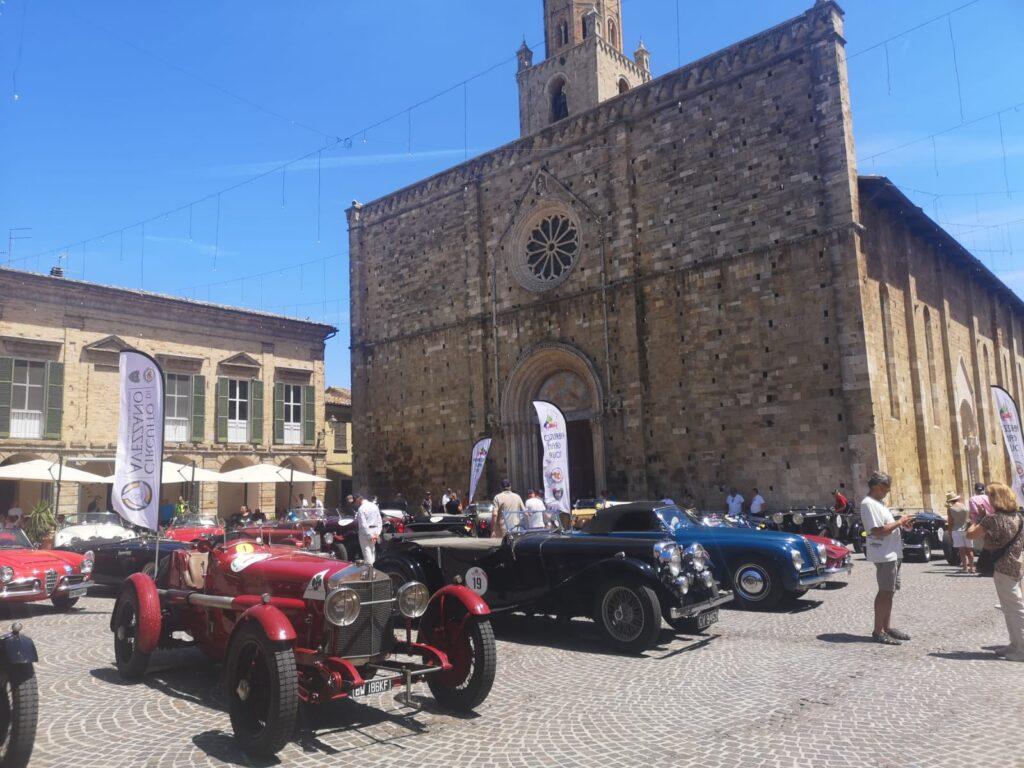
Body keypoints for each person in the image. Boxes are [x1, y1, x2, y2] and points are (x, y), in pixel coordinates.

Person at [966, 482, 1024, 661]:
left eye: (990, 496)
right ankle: (1014, 644)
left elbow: (971, 535)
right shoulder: (1019, 516)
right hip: (1016, 563)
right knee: (1009, 607)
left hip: (1002, 565)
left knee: (1013, 607)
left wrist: (977, 519)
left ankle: (1021, 649)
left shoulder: (992, 519)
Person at [860, 471, 916, 645]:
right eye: (886, 488)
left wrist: (902, 524)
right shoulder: (868, 504)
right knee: (884, 591)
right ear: (877, 486)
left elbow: (887, 526)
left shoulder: (879, 503)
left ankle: (887, 627)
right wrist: (899, 522)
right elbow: (878, 531)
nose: (888, 491)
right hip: (884, 555)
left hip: (893, 553)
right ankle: (878, 631)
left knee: (889, 591)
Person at [945, 491, 973, 573]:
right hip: (966, 530)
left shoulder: (950, 509)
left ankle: (965, 568)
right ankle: (972, 567)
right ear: (957, 498)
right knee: (970, 549)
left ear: (950, 501)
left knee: (962, 551)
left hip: (956, 531)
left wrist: (949, 533)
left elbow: (950, 522)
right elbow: (969, 518)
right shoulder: (965, 507)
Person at [354, 492, 383, 565]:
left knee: (367, 551)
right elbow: (379, 520)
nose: (355, 504)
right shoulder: (374, 506)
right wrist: (377, 533)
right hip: (375, 531)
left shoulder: (361, 509)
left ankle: (370, 570)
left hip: (365, 533)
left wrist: (369, 535)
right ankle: (373, 568)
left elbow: (363, 525)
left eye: (355, 502)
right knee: (372, 550)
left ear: (358, 500)